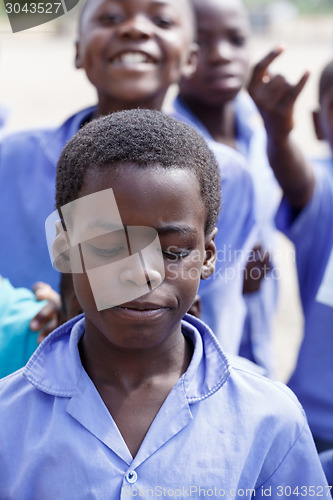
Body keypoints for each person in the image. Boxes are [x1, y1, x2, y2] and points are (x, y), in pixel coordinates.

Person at [0, 110, 328, 498]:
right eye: (109, 246)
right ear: (65, 247)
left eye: (173, 252)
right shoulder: (9, 419)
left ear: (207, 256)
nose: (143, 273)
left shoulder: (270, 418)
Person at [0, 0, 256, 354]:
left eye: (162, 19)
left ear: (190, 59)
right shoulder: (10, 158)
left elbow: (203, 305)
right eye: (110, 17)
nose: (134, 29)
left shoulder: (226, 173)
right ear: (77, 51)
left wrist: (83, 318)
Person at [171, 0, 280, 375]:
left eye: (236, 40)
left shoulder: (258, 128)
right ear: (180, 53)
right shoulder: (168, 156)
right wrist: (232, 272)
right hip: (197, 358)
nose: (221, 55)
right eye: (202, 43)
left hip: (255, 336)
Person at [249, 53, 333, 451]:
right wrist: (278, 134)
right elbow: (299, 181)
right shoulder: (326, 189)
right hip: (318, 430)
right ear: (319, 123)